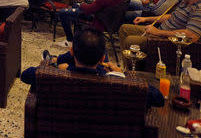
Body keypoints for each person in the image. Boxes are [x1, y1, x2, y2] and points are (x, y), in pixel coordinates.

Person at [20, 28, 164, 107]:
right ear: (103, 58)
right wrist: (124, 74)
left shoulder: (52, 77)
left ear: (72, 52)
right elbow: (158, 98)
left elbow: (25, 75)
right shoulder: (119, 82)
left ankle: (55, 58)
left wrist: (56, 67)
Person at [58, 0, 131, 47]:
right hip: (113, 21)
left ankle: (70, 40)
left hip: (100, 20)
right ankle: (78, 37)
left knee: (63, 12)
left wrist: (82, 4)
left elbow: (88, 10)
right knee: (76, 6)